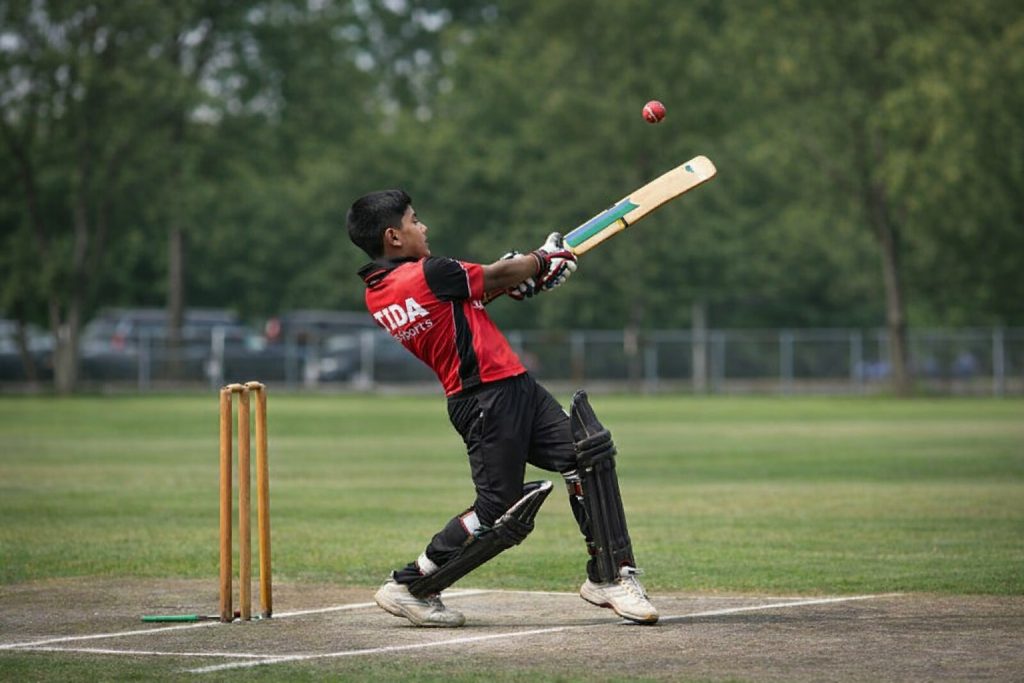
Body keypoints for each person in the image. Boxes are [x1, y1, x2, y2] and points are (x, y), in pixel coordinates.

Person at [346, 189, 658, 627]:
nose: (424, 227)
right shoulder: (429, 273)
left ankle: (609, 577)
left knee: (586, 456)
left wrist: (518, 276)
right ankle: (409, 585)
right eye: (416, 220)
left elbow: (470, 298)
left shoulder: (380, 293)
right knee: (498, 510)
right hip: (484, 400)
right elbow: (492, 276)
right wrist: (542, 259)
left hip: (514, 387)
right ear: (394, 237)